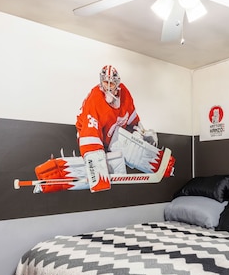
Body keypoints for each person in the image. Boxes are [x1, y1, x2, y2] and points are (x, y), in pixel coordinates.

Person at [34, 65, 173, 193]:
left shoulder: (125, 94)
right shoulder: (95, 99)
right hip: (90, 135)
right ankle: (60, 173)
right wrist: (97, 169)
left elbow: (132, 118)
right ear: (101, 81)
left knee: (118, 156)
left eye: (111, 83)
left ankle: (160, 165)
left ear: (117, 83)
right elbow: (90, 135)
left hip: (112, 134)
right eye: (105, 82)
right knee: (99, 164)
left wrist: (142, 133)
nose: (108, 87)